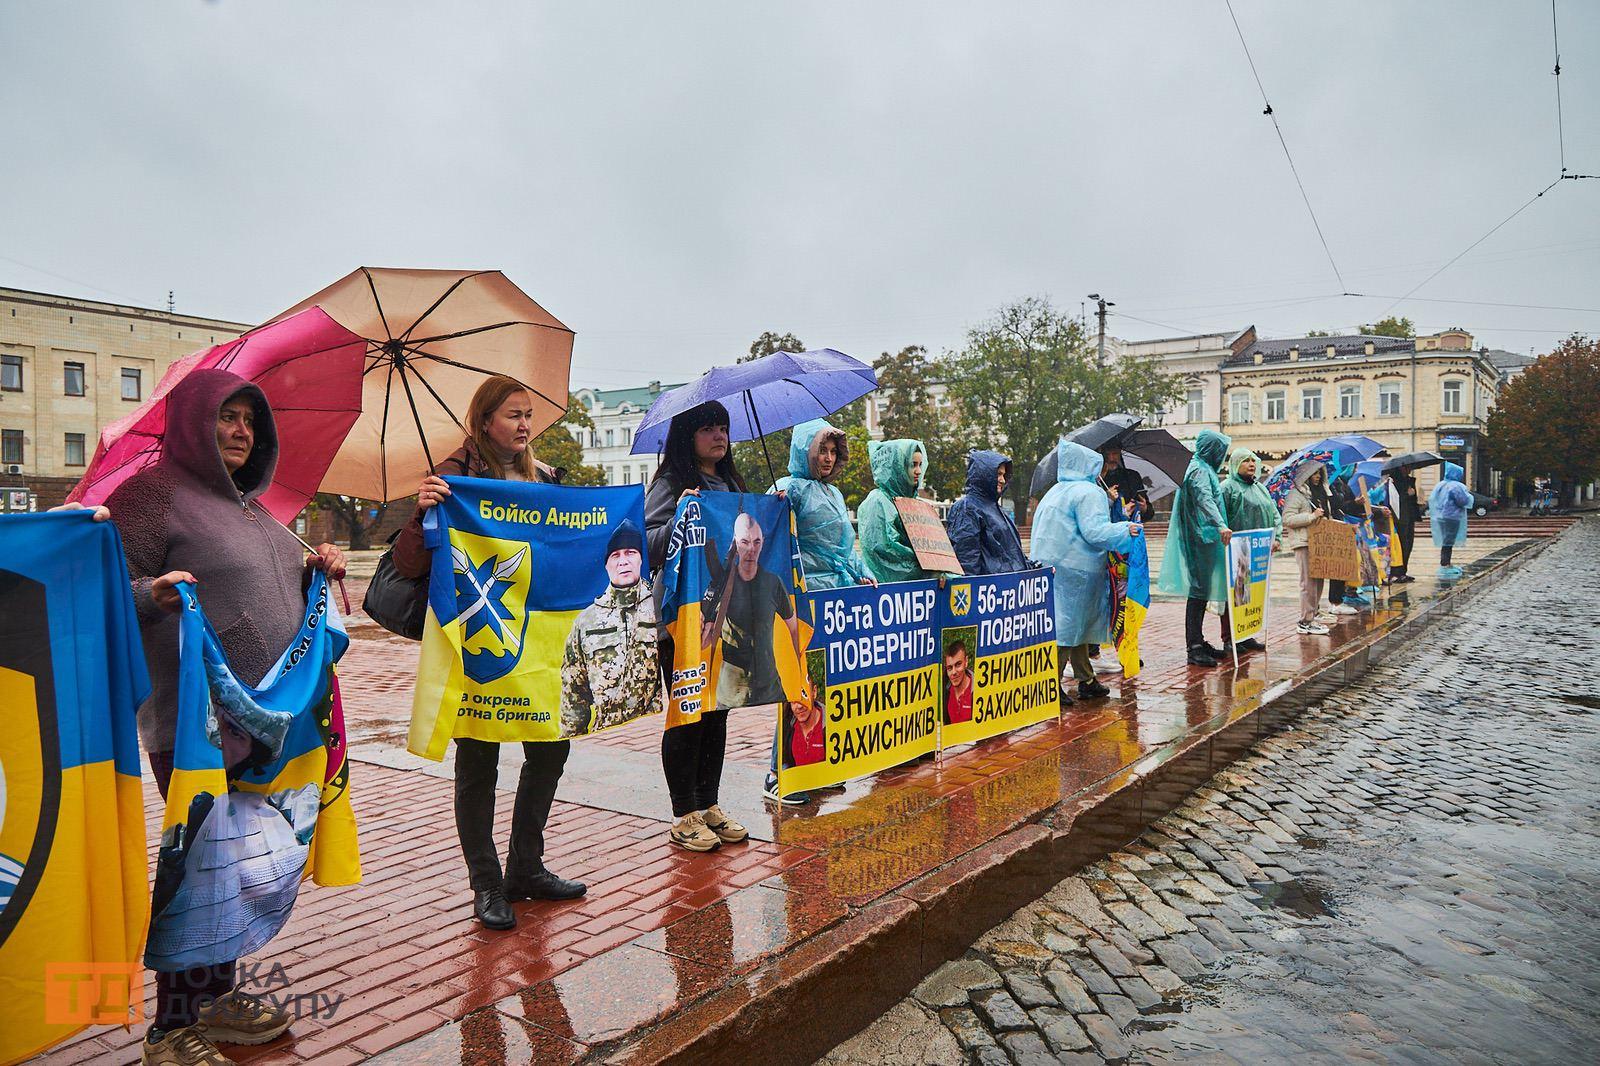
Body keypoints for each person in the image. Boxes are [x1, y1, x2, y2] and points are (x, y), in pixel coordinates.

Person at [106, 369, 346, 1065]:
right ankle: (171, 1027)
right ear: (191, 421)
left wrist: (314, 574)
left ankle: (216, 999)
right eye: (226, 416)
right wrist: (151, 594)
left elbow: (269, 591)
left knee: (244, 865)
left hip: (272, 723)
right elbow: (104, 587)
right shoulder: (150, 498)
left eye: (249, 419)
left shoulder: (259, 509)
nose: (241, 430)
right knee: (203, 864)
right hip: (194, 722)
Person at [393, 374, 584, 932]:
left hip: (538, 644)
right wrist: (422, 509)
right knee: (478, 763)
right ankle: (486, 883)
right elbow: (409, 565)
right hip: (478, 642)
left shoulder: (545, 479)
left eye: (529, 415)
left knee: (550, 749)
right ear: (484, 423)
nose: (525, 425)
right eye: (512, 416)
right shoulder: (453, 479)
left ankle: (527, 866)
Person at [644, 400, 751, 851]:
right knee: (687, 713)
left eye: (723, 428)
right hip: (682, 621)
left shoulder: (732, 483)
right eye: (708, 428)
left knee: (718, 710)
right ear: (688, 437)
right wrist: (681, 517)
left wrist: (770, 510)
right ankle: (683, 811)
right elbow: (646, 542)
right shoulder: (671, 483)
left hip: (727, 620)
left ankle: (708, 803)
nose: (719, 437)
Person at [1032, 439, 1141, 700]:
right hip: (1078, 569)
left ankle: (1086, 677)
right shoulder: (1088, 491)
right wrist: (1125, 529)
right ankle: (1051, 684)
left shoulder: (1056, 490)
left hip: (1052, 566)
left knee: (1073, 624)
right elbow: (1095, 532)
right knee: (1068, 627)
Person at [560, 520, 660, 737]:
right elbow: (574, 690)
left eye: (630, 552)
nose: (623, 561)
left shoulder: (660, 608)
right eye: (616, 556)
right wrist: (574, 740)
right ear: (607, 565)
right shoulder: (586, 621)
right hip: (607, 737)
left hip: (655, 735)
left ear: (641, 559)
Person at [1156, 428, 1232, 666]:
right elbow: (1204, 499)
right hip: (1200, 538)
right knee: (1198, 592)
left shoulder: (1203, 467)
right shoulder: (1199, 469)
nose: (1223, 455)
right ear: (1212, 449)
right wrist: (1220, 525)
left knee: (1202, 591)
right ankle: (1194, 647)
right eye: (1221, 449)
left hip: (1205, 537)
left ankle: (1198, 640)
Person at [770, 418, 871, 588]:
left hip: (837, 589)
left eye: (833, 452)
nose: (829, 458)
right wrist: (774, 504)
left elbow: (842, 547)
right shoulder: (789, 488)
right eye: (822, 450)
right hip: (801, 588)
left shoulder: (834, 493)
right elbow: (770, 540)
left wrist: (861, 572)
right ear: (806, 451)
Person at [1219, 448, 1281, 653]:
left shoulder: (1260, 488)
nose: (1251, 464)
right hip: (1236, 550)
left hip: (1257, 551)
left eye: (1253, 460)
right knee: (1235, 595)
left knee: (1250, 594)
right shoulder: (1227, 488)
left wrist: (1276, 537)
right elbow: (1219, 517)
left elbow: (1274, 514)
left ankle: (1246, 634)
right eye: (1246, 461)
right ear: (1236, 464)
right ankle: (1230, 638)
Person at [946, 450, 1030, 576]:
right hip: (990, 590)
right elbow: (967, 561)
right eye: (998, 474)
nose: (1002, 480)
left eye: (1004, 475)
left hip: (1008, 589)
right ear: (984, 474)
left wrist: (1034, 567)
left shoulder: (996, 509)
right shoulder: (967, 508)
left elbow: (1013, 554)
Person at [859, 439, 929, 583]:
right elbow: (885, 551)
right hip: (886, 591)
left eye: (920, 465)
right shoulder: (878, 501)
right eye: (913, 465)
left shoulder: (912, 501)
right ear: (898, 467)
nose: (919, 471)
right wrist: (926, 568)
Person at [1280, 461, 1337, 635]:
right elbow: (1288, 519)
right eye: (1314, 473)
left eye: (1320, 473)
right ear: (1306, 475)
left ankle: (1313, 614)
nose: (1318, 477)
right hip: (1304, 542)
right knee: (1308, 583)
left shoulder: (1319, 494)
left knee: (1319, 581)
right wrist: (1311, 516)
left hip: (1319, 542)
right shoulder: (1296, 495)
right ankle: (1305, 620)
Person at [1428, 461, 1473, 578]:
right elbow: (1462, 501)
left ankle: (1445, 563)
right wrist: (1469, 497)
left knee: (1445, 540)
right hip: (1452, 516)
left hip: (1441, 516)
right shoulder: (1456, 486)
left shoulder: (1440, 485)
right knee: (1449, 541)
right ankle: (1445, 564)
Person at [1100, 445, 1152, 522]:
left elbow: (1149, 512)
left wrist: (1144, 508)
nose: (1111, 458)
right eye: (1107, 454)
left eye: (1114, 453)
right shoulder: (1096, 478)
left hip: (1131, 527)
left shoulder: (1132, 476)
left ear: (1120, 454)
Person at [1388, 468, 1420, 582]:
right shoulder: (1393, 482)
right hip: (1400, 519)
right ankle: (1396, 572)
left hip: (1409, 517)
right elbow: (1395, 501)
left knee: (1408, 546)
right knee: (1400, 546)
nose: (1409, 469)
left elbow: (1412, 501)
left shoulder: (1409, 481)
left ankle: (1403, 572)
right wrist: (1407, 494)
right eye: (1406, 467)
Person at [942, 638, 975, 724]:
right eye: (949, 668)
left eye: (958, 665)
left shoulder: (979, 689)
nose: (953, 672)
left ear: (966, 661)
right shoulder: (945, 691)